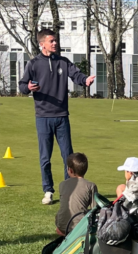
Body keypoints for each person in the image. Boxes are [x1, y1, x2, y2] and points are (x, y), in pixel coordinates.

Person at [18, 29, 96, 206]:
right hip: (43, 117)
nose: (55, 43)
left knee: (67, 156)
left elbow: (76, 75)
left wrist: (85, 80)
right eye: (51, 41)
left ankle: (67, 189)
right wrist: (28, 87)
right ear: (42, 44)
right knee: (45, 157)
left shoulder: (63, 61)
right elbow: (22, 86)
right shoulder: (33, 64)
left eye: (55, 41)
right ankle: (48, 190)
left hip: (62, 117)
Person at [55, 152, 98, 235]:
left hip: (62, 226)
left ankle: (64, 233)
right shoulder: (91, 186)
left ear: (70, 170)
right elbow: (94, 209)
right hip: (79, 227)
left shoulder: (62, 184)